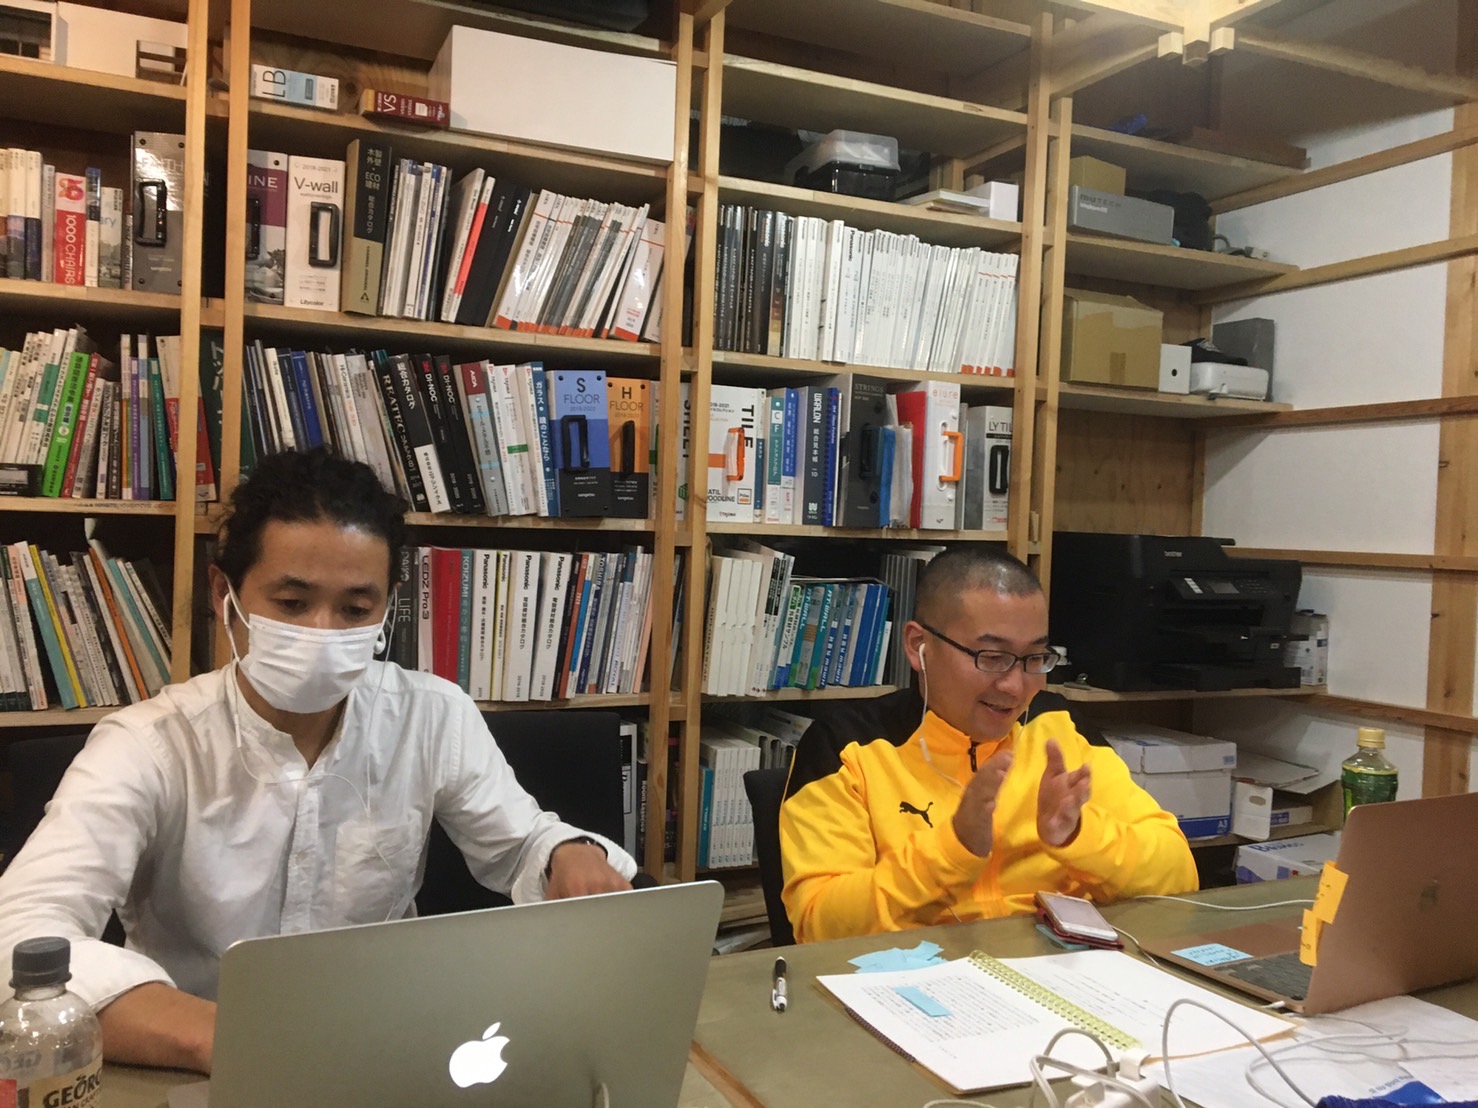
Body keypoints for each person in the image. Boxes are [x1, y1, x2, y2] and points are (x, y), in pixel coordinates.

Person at [0, 448, 635, 1074]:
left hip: (389, 1053)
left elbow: (524, 843)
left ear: (387, 607)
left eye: (356, 609)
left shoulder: (432, 716)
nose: (324, 632)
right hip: (201, 1064)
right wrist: (228, 1038)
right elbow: (18, 933)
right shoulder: (148, 744)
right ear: (225, 592)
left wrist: (567, 853)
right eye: (292, 603)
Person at [779, 548, 1197, 943]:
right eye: (992, 657)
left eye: (1035, 658)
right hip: (920, 977)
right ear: (918, 646)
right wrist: (953, 848)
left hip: (1058, 969)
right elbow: (820, 926)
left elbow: (1179, 874)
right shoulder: (847, 746)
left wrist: (1079, 835)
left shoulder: (1058, 728)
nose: (1015, 687)